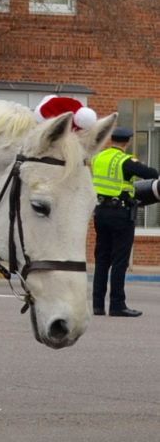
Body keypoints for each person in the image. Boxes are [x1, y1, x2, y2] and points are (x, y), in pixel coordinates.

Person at [90, 126, 158, 318]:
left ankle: (97, 305)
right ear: (127, 141)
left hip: (100, 212)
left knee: (102, 259)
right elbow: (151, 173)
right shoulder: (125, 161)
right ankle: (117, 305)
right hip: (120, 214)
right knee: (120, 260)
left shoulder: (98, 158)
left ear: (112, 139)